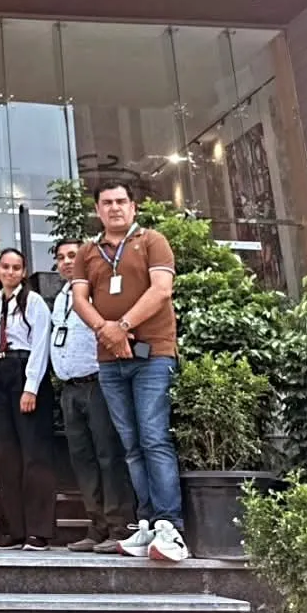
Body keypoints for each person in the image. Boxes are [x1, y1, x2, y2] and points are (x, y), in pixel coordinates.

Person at [70, 181, 188, 562]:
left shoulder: (153, 240)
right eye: (107, 202)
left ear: (133, 207)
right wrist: (105, 331)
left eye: (121, 201)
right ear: (98, 210)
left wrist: (121, 326)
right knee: (132, 446)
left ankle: (171, 527)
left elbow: (161, 290)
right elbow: (79, 299)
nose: (115, 207)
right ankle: (147, 522)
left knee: (154, 438)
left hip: (152, 354)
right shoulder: (88, 252)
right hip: (110, 362)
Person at [51, 239, 135, 554]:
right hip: (70, 388)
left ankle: (118, 526)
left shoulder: (100, 291)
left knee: (108, 456)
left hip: (99, 382)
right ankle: (96, 526)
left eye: (72, 256)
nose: (66, 262)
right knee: (82, 460)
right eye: (61, 257)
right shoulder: (62, 297)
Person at [0, 249, 55, 551]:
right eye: (5, 267)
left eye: (15, 267)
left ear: (23, 272)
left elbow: (40, 344)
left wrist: (31, 386)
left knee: (33, 454)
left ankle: (38, 530)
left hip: (22, 370)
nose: (9, 272)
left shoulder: (33, 302)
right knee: (4, 454)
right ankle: (13, 528)